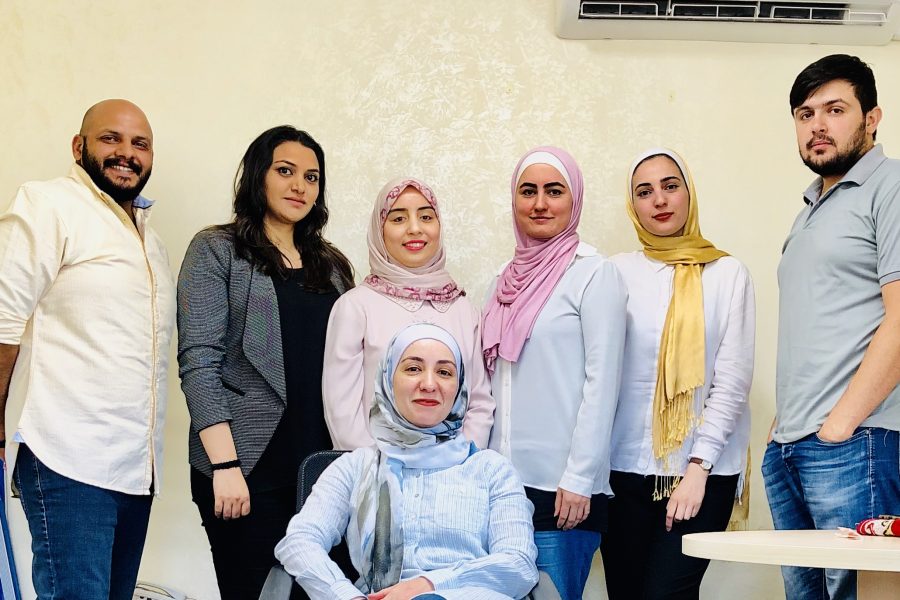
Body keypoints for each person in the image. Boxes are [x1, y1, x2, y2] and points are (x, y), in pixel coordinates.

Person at [0, 99, 176, 599]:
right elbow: (3, 319)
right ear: (78, 147)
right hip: (67, 458)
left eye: (139, 143)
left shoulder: (149, 238)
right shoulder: (48, 204)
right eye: (110, 139)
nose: (126, 153)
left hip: (136, 468)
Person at [178, 126, 354, 600]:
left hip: (323, 467)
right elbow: (199, 361)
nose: (300, 186)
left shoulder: (333, 265)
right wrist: (225, 465)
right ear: (258, 177)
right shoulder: (217, 249)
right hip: (246, 466)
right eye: (285, 171)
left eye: (312, 177)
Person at [763, 53, 900, 600]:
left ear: (872, 118)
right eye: (804, 113)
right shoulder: (809, 209)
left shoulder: (890, 185)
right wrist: (784, 427)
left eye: (835, 109)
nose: (816, 125)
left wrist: (840, 424)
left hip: (854, 443)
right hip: (791, 446)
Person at [276, 323, 538, 599]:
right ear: (388, 379)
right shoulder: (354, 468)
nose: (428, 384)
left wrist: (430, 585)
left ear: (459, 386)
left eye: (444, 372)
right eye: (413, 368)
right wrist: (345, 595)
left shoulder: (491, 470)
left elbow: (518, 563)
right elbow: (299, 541)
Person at [599, 148, 755, 600]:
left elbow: (732, 381)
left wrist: (698, 467)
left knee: (667, 594)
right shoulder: (615, 273)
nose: (659, 200)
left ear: (689, 192)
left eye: (670, 186)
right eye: (644, 192)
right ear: (633, 205)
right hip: (623, 470)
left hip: (703, 472)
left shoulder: (727, 274)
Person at [481, 146, 627, 600]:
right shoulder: (503, 280)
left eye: (553, 191)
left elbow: (603, 384)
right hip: (498, 486)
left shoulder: (594, 274)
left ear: (574, 199)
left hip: (561, 488)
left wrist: (580, 479)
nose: (540, 203)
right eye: (528, 191)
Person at [323, 178, 493, 450]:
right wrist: (380, 472)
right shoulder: (355, 307)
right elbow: (342, 412)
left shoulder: (464, 309)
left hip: (455, 477)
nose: (415, 229)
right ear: (380, 230)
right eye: (398, 218)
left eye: (426, 216)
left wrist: (459, 465)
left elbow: (480, 403)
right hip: (376, 476)